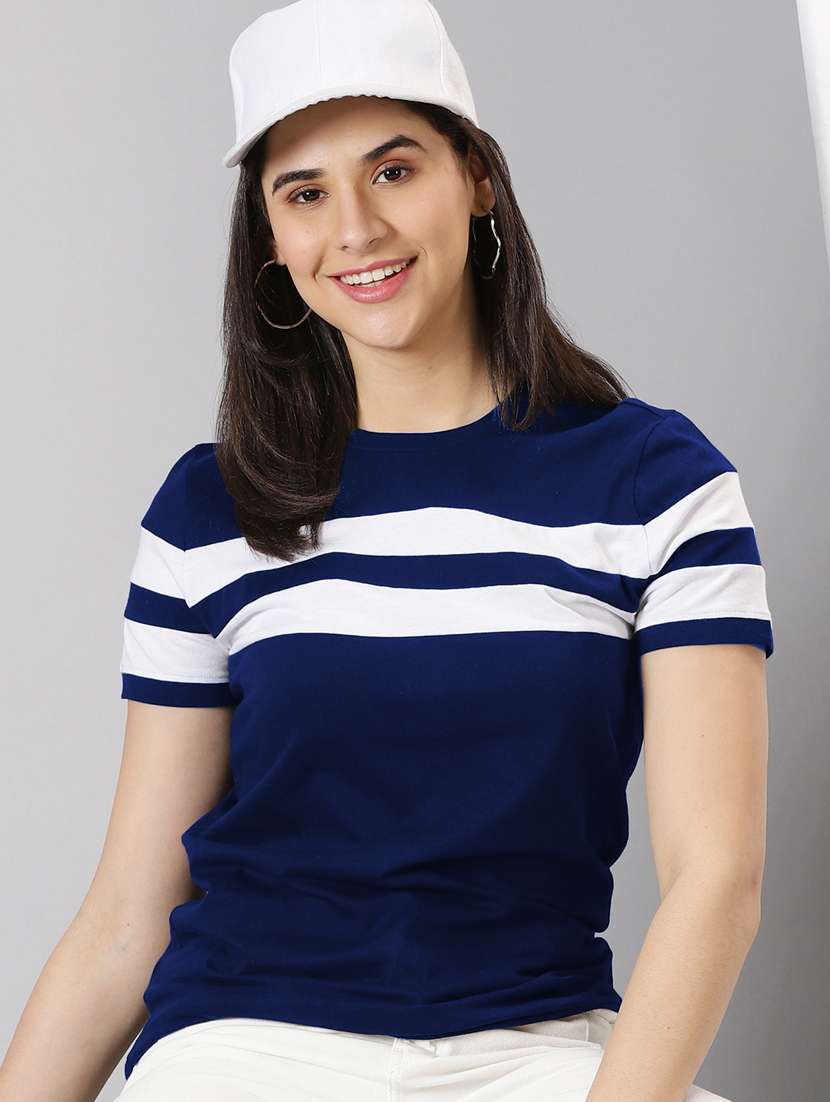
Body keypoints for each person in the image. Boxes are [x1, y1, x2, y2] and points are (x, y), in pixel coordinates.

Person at [0, 2, 773, 1100]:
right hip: (246, 1046)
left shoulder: (656, 483)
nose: (354, 228)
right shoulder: (209, 508)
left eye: (393, 171)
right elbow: (129, 911)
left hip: (537, 1051)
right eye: (304, 193)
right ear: (271, 240)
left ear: (478, 180)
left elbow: (716, 877)